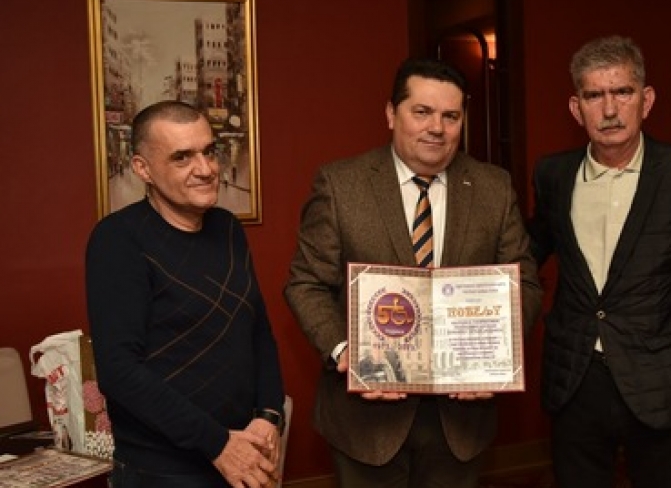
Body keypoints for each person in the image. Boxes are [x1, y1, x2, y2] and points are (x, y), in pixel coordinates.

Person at [284, 57, 543, 487]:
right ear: (391, 113)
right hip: (366, 422)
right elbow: (306, 283)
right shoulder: (340, 184)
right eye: (422, 112)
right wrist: (346, 352)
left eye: (450, 116)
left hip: (461, 421)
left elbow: (525, 283)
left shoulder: (494, 188)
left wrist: (501, 359)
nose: (436, 128)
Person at [528, 35, 671, 488]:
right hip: (576, 380)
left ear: (646, 100)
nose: (609, 109)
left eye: (622, 92)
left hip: (664, 382)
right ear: (576, 108)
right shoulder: (552, 175)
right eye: (594, 95)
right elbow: (526, 257)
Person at [85, 100, 286, 488]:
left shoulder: (228, 228)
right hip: (164, 470)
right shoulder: (118, 240)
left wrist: (268, 415)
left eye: (209, 151)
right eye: (182, 157)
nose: (206, 169)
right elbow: (119, 372)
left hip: (242, 452)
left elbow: (257, 332)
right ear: (143, 169)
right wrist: (217, 443)